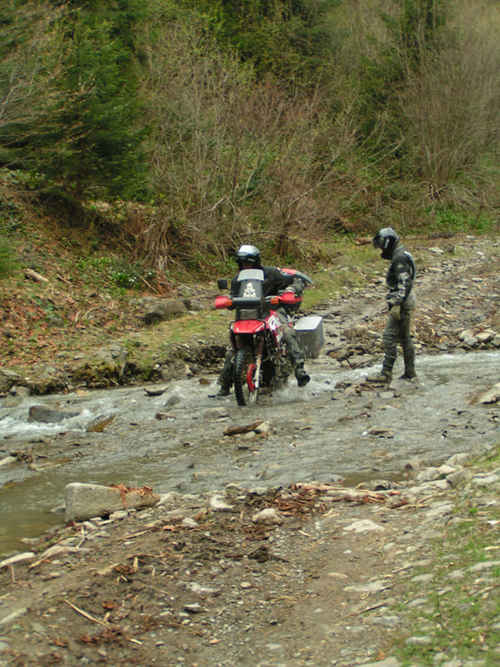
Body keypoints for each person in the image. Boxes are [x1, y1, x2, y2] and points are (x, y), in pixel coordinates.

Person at [215, 244, 310, 396]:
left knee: (287, 332)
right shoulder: (237, 279)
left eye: (249, 263)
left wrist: (289, 291)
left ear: (256, 262)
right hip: (248, 315)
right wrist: (228, 300)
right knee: (232, 351)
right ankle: (224, 386)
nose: (246, 266)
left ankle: (300, 370)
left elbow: (296, 280)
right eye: (243, 263)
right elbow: (232, 297)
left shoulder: (272, 273)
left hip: (272, 311)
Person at [366, 227, 416, 384]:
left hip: (402, 303)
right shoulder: (401, 254)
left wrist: (396, 303)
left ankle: (386, 373)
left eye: (381, 245)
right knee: (404, 338)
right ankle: (410, 373)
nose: (381, 249)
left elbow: (404, 283)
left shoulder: (399, 258)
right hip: (406, 301)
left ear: (387, 242)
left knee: (389, 337)